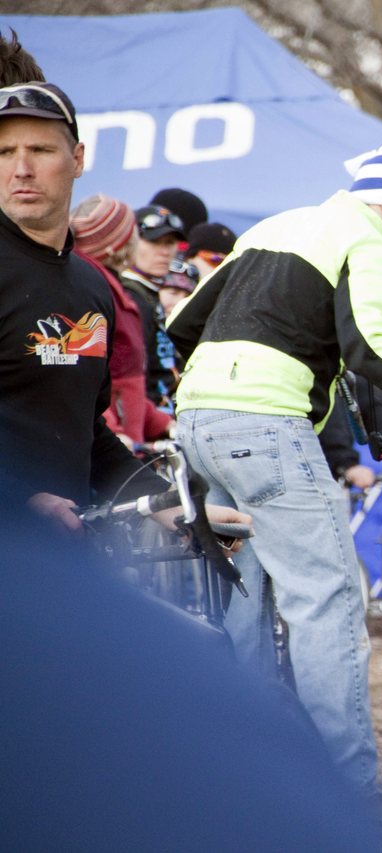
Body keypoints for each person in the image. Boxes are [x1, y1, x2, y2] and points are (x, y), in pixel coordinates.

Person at [166, 133, 382, 836]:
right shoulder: (365, 235)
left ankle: (244, 773)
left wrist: (224, 378)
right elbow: (369, 344)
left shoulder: (274, 226)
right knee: (328, 611)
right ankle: (351, 800)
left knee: (251, 602)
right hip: (267, 425)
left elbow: (182, 324)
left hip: (199, 423)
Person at [0, 80, 247, 538]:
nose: (21, 169)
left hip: (66, 557)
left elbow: (89, 436)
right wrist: (20, 496)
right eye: (4, 152)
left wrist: (180, 512)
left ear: (77, 160)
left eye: (39, 150)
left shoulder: (92, 286)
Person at [69, 193, 173, 447]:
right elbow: (78, 377)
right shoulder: (88, 290)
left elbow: (127, 386)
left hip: (124, 447)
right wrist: (113, 432)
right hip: (106, 451)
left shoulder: (111, 289)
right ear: (118, 243)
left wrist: (161, 424)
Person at [119, 203, 185, 410]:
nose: (165, 252)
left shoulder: (150, 293)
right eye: (155, 242)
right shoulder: (128, 295)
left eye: (170, 242)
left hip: (164, 416)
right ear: (131, 242)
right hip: (143, 418)